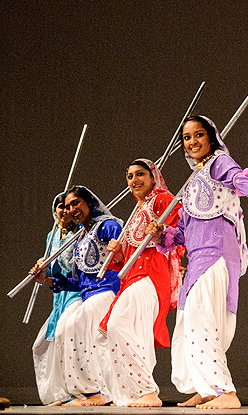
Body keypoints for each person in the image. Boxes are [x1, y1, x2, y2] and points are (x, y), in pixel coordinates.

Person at [146, 115, 248, 409]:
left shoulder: (219, 163)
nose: (193, 141)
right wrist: (162, 234)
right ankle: (206, 388)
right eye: (187, 137)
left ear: (211, 137)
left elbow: (244, 184)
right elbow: (182, 232)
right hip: (198, 258)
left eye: (199, 135)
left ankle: (224, 391)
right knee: (191, 322)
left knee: (201, 321)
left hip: (216, 252)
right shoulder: (193, 180)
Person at [98, 159, 183, 407]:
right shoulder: (137, 210)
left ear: (153, 176)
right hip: (133, 277)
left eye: (140, 174)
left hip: (151, 276)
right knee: (133, 334)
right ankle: (132, 393)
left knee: (118, 325)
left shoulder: (162, 200)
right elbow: (127, 258)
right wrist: (117, 253)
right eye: (129, 176)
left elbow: (180, 232)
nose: (134, 180)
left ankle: (147, 390)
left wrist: (160, 232)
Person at [32, 186, 123, 406]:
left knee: (75, 325)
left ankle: (94, 392)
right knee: (64, 329)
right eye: (69, 205)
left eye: (76, 203)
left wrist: (119, 253)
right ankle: (82, 392)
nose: (72, 209)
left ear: (89, 203)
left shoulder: (108, 225)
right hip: (88, 293)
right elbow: (78, 281)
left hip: (108, 290)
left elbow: (126, 256)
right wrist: (47, 280)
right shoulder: (82, 237)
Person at [31, 192, 82, 405]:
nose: (63, 210)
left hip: (78, 293)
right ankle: (58, 395)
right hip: (60, 297)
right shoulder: (52, 236)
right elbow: (52, 273)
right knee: (41, 345)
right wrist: (41, 271)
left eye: (67, 206)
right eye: (59, 206)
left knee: (66, 336)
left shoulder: (82, 234)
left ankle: (79, 392)